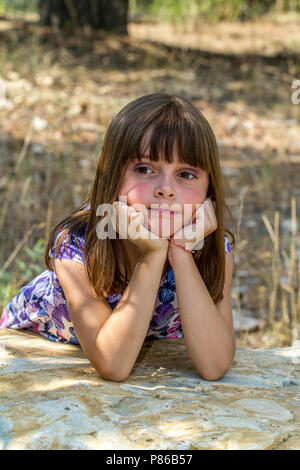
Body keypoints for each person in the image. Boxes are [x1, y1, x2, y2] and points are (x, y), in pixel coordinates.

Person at [0, 93, 236, 382]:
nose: (166, 189)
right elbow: (113, 364)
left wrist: (181, 253)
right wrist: (152, 255)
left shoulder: (212, 247)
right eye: (145, 169)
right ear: (113, 175)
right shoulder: (77, 244)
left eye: (186, 174)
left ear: (209, 190)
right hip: (33, 351)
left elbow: (214, 365)